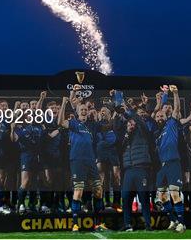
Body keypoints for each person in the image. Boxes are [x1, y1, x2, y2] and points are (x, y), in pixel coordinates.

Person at [58, 92, 107, 232]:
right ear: (77, 112)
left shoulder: (92, 125)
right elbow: (60, 122)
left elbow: (103, 121)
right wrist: (63, 103)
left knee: (98, 190)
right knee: (78, 191)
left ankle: (98, 223)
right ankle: (75, 224)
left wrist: (96, 109)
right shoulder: (73, 123)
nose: (84, 111)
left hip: (91, 160)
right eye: (82, 109)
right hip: (77, 160)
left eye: (86, 109)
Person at [153, 85, 191, 233]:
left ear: (166, 116)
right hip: (163, 166)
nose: (159, 118)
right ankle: (173, 220)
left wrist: (175, 93)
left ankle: (182, 224)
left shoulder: (171, 123)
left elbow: (176, 109)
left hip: (173, 163)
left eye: (161, 116)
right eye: (157, 116)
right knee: (163, 196)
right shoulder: (157, 134)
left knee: (175, 194)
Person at [116, 90, 154, 232]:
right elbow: (119, 149)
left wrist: (127, 107)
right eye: (129, 123)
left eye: (133, 123)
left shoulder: (143, 130)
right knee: (126, 198)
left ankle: (148, 225)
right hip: (128, 170)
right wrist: (126, 134)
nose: (131, 125)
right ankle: (127, 225)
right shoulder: (125, 136)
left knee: (143, 198)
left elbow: (136, 118)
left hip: (141, 168)